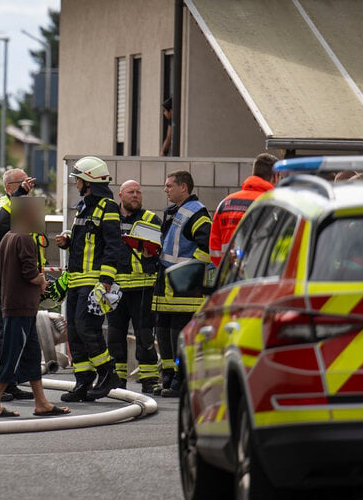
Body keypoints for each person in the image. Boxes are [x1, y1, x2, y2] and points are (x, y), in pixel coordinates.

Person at [0, 197, 71, 418]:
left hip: (18, 306)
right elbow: (30, 273)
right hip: (21, 307)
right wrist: (42, 282)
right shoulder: (25, 239)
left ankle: (41, 403)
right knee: (12, 353)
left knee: (32, 354)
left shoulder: (7, 239)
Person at [55, 156, 125, 402]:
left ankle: (107, 372)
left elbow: (112, 246)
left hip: (93, 282)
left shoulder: (109, 207)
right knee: (74, 333)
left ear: (89, 181)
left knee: (87, 328)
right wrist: (68, 243)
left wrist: (105, 280)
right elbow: (86, 245)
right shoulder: (83, 207)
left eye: (78, 180)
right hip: (75, 282)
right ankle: (83, 381)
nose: (75, 184)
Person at [0, 168, 39, 402]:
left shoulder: (20, 206)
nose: (29, 185)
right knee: (3, 331)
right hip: (0, 280)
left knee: (20, 334)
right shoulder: (2, 208)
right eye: (24, 182)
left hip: (16, 281)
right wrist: (20, 196)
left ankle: (9, 383)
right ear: (10, 186)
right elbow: (9, 238)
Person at [154, 170, 211, 398]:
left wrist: (187, 272)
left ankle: (181, 379)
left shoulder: (197, 213)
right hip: (166, 285)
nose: (166, 190)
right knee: (164, 333)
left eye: (169, 186)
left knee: (179, 335)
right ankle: (168, 376)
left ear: (184, 187)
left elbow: (206, 247)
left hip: (183, 288)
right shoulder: (175, 212)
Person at [110, 180, 162, 395]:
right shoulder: (110, 219)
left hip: (142, 287)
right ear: (120, 195)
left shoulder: (150, 219)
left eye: (139, 192)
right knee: (115, 336)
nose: (136, 196)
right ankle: (117, 380)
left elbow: (160, 250)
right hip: (114, 288)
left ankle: (149, 379)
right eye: (131, 192)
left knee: (145, 336)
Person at [209, 153, 278, 266]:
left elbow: (214, 250)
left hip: (228, 277)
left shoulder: (225, 203)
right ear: (275, 177)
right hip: (258, 276)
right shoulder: (272, 205)